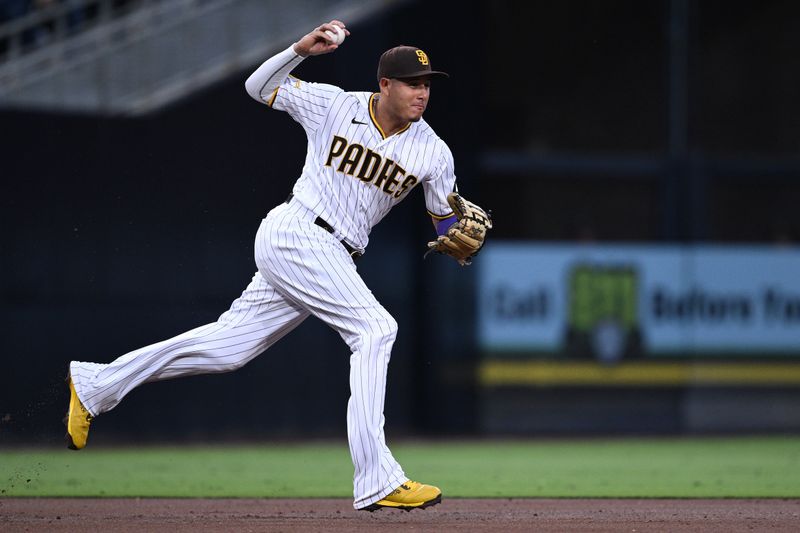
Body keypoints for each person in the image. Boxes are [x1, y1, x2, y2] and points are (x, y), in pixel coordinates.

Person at [66, 19, 487, 512]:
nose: (422, 93)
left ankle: (96, 384)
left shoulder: (433, 150)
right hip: (298, 231)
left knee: (229, 349)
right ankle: (377, 478)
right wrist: (300, 50)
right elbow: (258, 86)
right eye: (413, 84)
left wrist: (460, 236)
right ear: (385, 85)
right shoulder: (335, 105)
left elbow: (444, 223)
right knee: (375, 330)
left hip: (332, 254)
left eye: (428, 85)